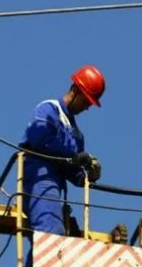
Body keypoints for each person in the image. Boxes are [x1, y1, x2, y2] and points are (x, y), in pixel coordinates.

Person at [20, 65, 105, 250]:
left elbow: (74, 172)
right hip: (39, 177)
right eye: (86, 101)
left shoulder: (77, 134)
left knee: (52, 238)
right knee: (49, 233)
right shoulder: (49, 109)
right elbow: (39, 138)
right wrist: (74, 156)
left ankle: (34, 266)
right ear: (75, 90)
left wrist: (89, 174)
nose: (87, 107)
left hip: (55, 186)